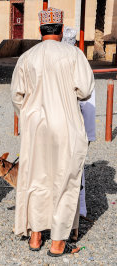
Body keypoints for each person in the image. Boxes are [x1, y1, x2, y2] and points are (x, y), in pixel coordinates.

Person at [11, 7, 94, 257]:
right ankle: (58, 242)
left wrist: (28, 115)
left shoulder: (27, 57)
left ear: (40, 30)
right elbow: (86, 90)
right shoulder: (73, 54)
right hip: (66, 124)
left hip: (36, 127)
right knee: (65, 180)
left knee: (36, 177)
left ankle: (36, 236)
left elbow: (17, 95)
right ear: (60, 30)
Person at [62, 26, 96, 241]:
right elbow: (89, 103)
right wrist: (89, 135)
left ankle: (76, 212)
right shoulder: (79, 61)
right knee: (75, 171)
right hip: (72, 127)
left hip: (68, 126)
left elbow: (87, 101)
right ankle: (76, 212)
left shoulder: (73, 61)